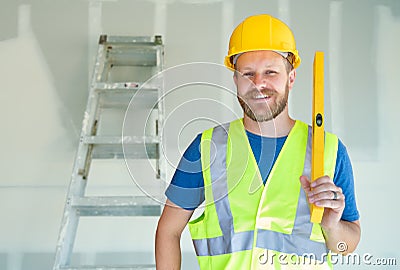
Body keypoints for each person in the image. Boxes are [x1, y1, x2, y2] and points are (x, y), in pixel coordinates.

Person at [155, 14, 360, 269]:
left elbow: (345, 248)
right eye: (248, 74)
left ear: (291, 78)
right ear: (236, 81)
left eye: (270, 72)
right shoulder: (207, 148)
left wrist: (332, 227)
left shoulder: (329, 151)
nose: (259, 83)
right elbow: (168, 232)